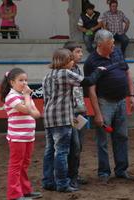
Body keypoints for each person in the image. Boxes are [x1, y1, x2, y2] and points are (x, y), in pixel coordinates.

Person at [42, 48, 106, 192]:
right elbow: (89, 81)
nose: (73, 62)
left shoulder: (47, 76)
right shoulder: (65, 73)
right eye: (70, 59)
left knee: (50, 150)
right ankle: (63, 183)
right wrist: (99, 70)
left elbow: (46, 99)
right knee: (62, 151)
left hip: (49, 118)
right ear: (64, 61)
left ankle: (48, 181)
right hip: (64, 118)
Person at [83, 29, 134, 183]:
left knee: (122, 136)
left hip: (120, 101)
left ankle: (121, 170)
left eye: (113, 43)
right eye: (110, 44)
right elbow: (91, 90)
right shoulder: (91, 62)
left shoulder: (117, 52)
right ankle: (104, 172)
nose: (113, 46)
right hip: (104, 102)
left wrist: (131, 95)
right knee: (103, 139)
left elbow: (127, 73)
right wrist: (97, 113)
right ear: (100, 44)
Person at [0, 68, 42, 200]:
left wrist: (27, 99)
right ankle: (14, 194)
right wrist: (28, 96)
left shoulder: (23, 96)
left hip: (28, 136)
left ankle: (25, 190)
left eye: (26, 80)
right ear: (12, 82)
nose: (24, 83)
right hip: (17, 138)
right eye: (21, 80)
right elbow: (27, 110)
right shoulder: (11, 97)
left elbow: (36, 114)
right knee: (16, 165)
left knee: (24, 164)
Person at [63, 42, 88, 188]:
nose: (81, 54)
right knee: (73, 145)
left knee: (78, 145)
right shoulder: (66, 71)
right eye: (78, 52)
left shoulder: (78, 69)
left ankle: (74, 174)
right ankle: (69, 176)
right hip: (71, 112)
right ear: (69, 54)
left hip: (80, 111)